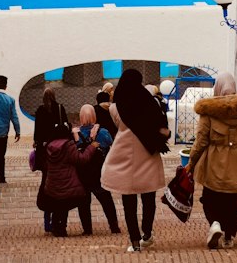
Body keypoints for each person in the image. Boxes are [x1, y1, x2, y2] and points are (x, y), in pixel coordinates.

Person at [187, 72, 237, 249]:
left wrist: (191, 162)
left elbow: (201, 141)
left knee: (210, 198)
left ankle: (215, 224)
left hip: (214, 165)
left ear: (218, 88)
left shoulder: (209, 111)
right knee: (233, 202)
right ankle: (229, 236)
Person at [101, 67, 169, 252]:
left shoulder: (116, 108)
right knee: (148, 198)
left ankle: (135, 241)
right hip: (147, 154)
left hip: (125, 157)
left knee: (128, 202)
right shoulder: (150, 103)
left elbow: (116, 127)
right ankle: (147, 233)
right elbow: (161, 125)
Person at [42, 120, 97, 236]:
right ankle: (87, 229)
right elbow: (81, 159)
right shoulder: (68, 145)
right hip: (70, 186)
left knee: (59, 204)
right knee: (84, 200)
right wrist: (91, 148)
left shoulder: (48, 146)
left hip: (52, 187)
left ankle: (59, 229)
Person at [75, 104, 120, 235]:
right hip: (99, 173)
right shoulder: (103, 132)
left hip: (82, 174)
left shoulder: (76, 134)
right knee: (107, 201)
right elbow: (111, 145)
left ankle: (87, 229)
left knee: (83, 203)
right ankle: (114, 227)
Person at [33, 87, 68, 170]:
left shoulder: (40, 110)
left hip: (43, 142)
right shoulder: (60, 108)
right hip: (57, 141)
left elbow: (37, 127)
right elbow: (65, 123)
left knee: (45, 165)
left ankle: (45, 181)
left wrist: (36, 140)